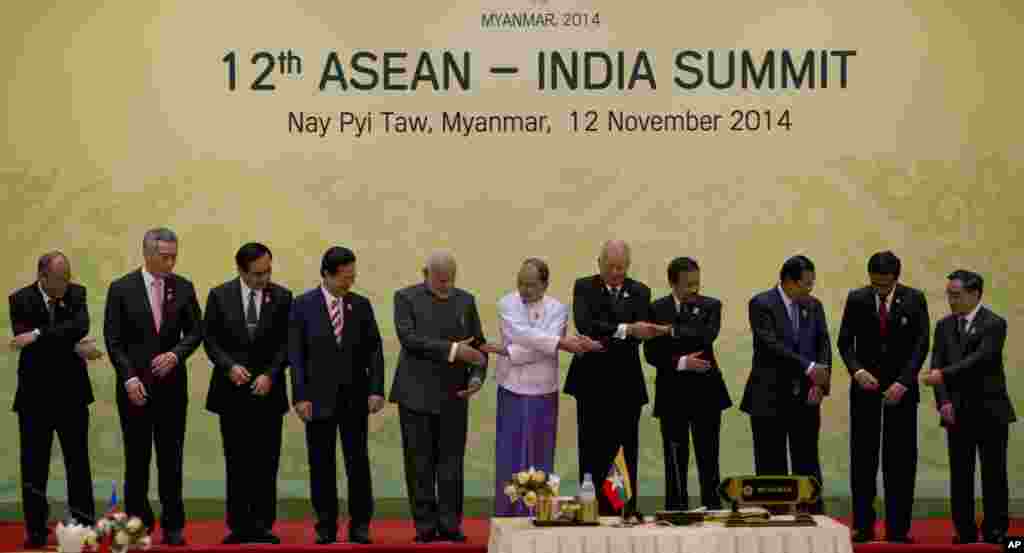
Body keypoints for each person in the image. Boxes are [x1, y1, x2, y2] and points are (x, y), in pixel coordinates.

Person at [104, 228, 203, 545]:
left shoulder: (183, 287)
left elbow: (196, 331)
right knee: (137, 461)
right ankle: (137, 525)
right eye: (165, 256)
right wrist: (128, 377)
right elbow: (113, 340)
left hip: (172, 388)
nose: (171, 262)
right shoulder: (121, 288)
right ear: (147, 254)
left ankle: (174, 525)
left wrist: (176, 354)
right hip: (135, 388)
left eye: (175, 255)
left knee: (171, 459)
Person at [481, 258, 602, 516]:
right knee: (509, 456)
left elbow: (533, 346)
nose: (524, 290)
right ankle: (507, 514)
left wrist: (508, 351)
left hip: (544, 389)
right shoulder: (506, 303)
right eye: (521, 283)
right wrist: (557, 343)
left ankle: (539, 513)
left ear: (545, 284)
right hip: (511, 387)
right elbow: (522, 334)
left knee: (540, 454)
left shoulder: (558, 309)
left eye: (532, 285)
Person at [389, 252, 488, 543]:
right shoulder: (404, 298)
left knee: (451, 464)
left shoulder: (466, 300)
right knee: (419, 464)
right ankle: (424, 527)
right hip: (415, 396)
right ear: (425, 273)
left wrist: (476, 378)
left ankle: (450, 524)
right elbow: (410, 339)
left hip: (455, 395)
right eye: (440, 280)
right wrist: (456, 350)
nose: (446, 286)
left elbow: (479, 345)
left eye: (451, 280)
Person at [288, 246, 385, 545]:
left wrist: (376, 390)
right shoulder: (302, 305)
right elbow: (296, 355)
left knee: (358, 463)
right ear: (327, 275)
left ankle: (360, 525)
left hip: (356, 398)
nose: (349, 283)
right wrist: (300, 397)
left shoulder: (361, 305)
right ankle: (326, 525)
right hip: (317, 400)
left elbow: (375, 351)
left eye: (352, 277)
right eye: (344, 278)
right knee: (321, 464)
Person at [564, 240, 664, 516]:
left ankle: (623, 508)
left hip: (626, 384)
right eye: (611, 267)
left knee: (625, 448)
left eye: (622, 267)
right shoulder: (584, 287)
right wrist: (626, 329)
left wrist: (619, 333)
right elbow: (586, 325)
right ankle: (591, 507)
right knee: (591, 447)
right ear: (599, 264)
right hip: (591, 382)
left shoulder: (641, 291)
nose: (617, 272)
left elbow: (638, 335)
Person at [9, 252, 101, 548]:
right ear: (42, 277)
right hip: (34, 397)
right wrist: (70, 344)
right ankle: (35, 530)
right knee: (34, 466)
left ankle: (84, 525)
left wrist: (37, 334)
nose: (66, 283)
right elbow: (65, 337)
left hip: (72, 395)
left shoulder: (77, 293)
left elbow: (80, 327)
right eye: (60, 279)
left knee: (78, 463)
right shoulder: (20, 299)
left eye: (68, 276)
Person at [203, 243, 293, 544]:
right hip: (232, 393)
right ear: (241, 270)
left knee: (266, 461)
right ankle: (239, 526)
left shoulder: (282, 296)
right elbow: (211, 340)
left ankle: (263, 525)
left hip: (268, 391)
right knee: (237, 460)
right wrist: (229, 367)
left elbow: (286, 344)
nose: (264, 278)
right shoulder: (219, 295)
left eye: (268, 271)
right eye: (257, 273)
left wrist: (271, 374)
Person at [837, 251, 929, 543]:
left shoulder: (915, 299)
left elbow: (921, 343)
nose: (880, 290)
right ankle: (863, 526)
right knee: (863, 459)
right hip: (865, 389)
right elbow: (844, 342)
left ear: (896, 278)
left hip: (901, 392)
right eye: (875, 284)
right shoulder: (857, 298)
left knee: (900, 461)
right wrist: (857, 370)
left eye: (885, 285)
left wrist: (904, 381)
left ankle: (898, 529)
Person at [922, 270, 1016, 545]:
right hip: (957, 411)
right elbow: (935, 363)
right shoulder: (943, 326)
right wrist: (943, 401)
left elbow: (981, 360)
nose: (951, 300)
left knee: (993, 474)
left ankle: (996, 530)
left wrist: (943, 376)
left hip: (990, 411)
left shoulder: (994, 324)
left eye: (957, 295)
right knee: (960, 475)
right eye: (949, 294)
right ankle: (963, 530)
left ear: (975, 294)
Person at [740, 255, 831, 514]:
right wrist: (809, 367)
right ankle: (775, 522)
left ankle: (814, 520)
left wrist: (820, 381)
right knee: (772, 466)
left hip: (805, 397)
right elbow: (771, 346)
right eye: (806, 284)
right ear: (789, 282)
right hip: (768, 398)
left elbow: (823, 344)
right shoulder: (761, 304)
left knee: (808, 462)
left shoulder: (814, 306)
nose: (810, 289)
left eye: (812, 284)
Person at [643, 257, 732, 511]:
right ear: (672, 283)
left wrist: (669, 332)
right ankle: (675, 511)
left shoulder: (711, 306)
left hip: (707, 393)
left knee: (709, 458)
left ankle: (713, 508)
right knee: (674, 460)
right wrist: (681, 361)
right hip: (672, 394)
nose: (694, 289)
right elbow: (651, 353)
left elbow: (706, 335)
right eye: (687, 285)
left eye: (697, 283)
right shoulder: (656, 309)